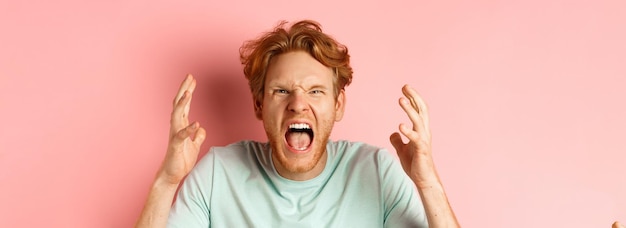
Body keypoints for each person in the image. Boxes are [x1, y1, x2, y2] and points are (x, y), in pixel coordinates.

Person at [135, 20, 459, 227]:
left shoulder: (375, 171)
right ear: (259, 105)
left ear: (338, 105)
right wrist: (166, 180)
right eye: (281, 91)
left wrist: (428, 183)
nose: (298, 104)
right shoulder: (217, 173)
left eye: (315, 91)